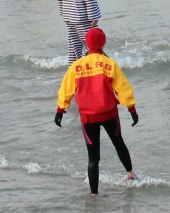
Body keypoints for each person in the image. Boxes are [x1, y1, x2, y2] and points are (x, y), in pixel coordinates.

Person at [54, 27, 138, 195]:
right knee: (118, 143)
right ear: (103, 43)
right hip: (109, 114)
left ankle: (94, 194)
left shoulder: (77, 66)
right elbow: (123, 88)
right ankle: (130, 174)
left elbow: (66, 89)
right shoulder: (109, 64)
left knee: (93, 158)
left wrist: (60, 109)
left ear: (86, 43)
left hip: (88, 117)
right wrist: (131, 108)